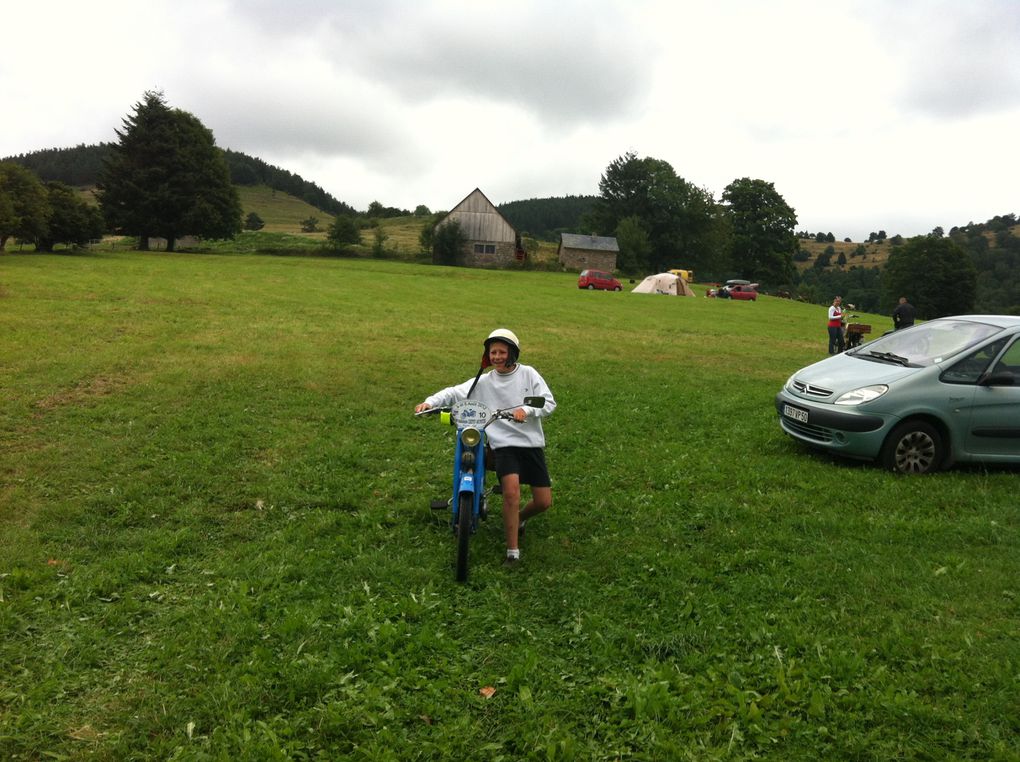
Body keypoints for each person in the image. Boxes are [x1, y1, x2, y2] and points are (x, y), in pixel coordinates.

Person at [414, 329, 556, 568]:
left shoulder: (529, 374)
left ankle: (519, 518)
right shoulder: (484, 381)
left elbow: (548, 401)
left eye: (502, 352)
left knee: (543, 502)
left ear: (512, 353)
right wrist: (430, 402)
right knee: (511, 493)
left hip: (530, 445)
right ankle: (512, 552)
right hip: (503, 445)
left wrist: (527, 410)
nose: (497, 357)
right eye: (493, 352)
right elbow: (454, 392)